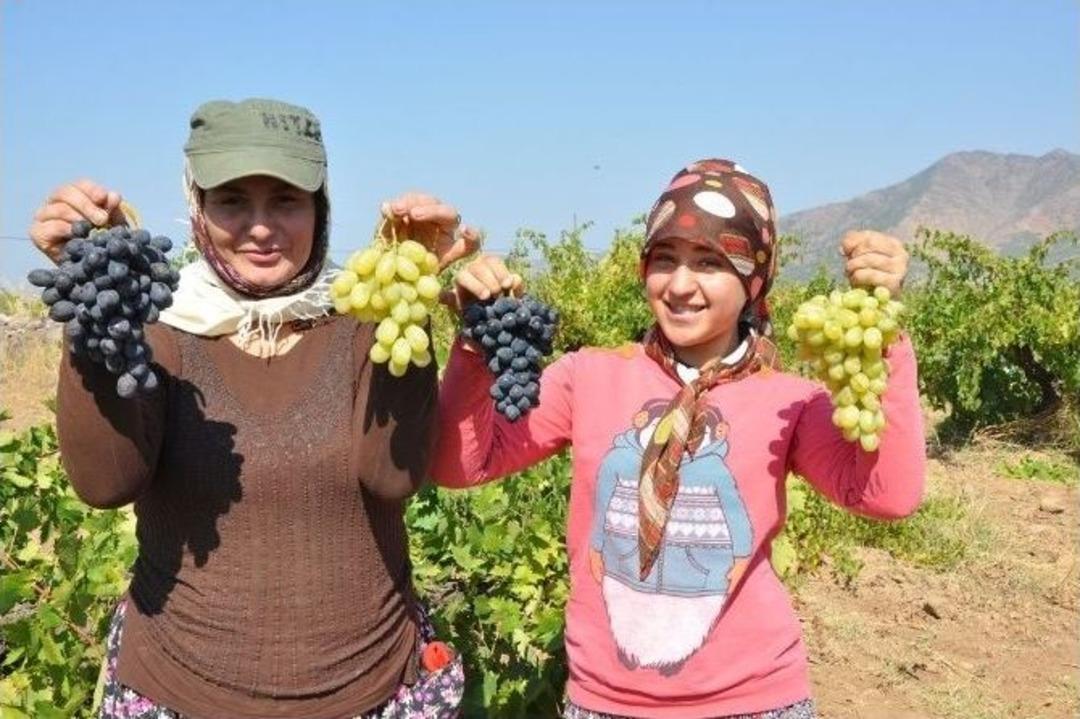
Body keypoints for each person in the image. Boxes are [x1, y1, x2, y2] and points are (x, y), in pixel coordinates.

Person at [29, 98, 475, 719]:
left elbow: (391, 474)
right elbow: (106, 483)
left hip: (369, 691)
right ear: (197, 211)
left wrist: (407, 289)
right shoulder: (158, 326)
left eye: (287, 201)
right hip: (178, 692)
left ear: (321, 210)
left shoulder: (361, 316)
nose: (261, 227)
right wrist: (94, 302)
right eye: (232, 200)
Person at [431, 158, 926, 718]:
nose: (680, 285)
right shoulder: (588, 377)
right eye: (664, 259)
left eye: (711, 263)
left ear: (753, 281)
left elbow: (888, 494)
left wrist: (885, 338)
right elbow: (461, 466)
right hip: (607, 704)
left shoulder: (789, 398)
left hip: (755, 701)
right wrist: (475, 344)